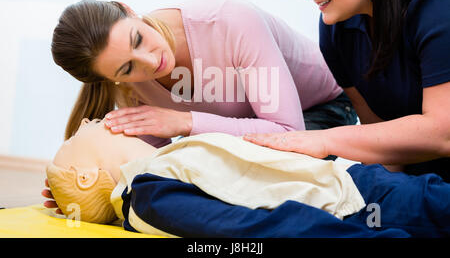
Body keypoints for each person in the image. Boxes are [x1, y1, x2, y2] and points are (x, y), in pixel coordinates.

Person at [44, 0, 357, 212]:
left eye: (138, 39)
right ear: (111, 78)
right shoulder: (129, 89)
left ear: (128, 9)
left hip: (319, 111)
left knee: (241, 187)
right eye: (127, 69)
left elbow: (289, 133)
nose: (150, 62)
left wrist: (186, 122)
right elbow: (152, 164)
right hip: (251, 136)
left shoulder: (227, 19)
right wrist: (81, 191)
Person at [245, 0, 450, 181]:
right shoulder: (335, 27)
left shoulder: (438, 2)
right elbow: (379, 143)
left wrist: (323, 139)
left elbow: (443, 133)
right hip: (421, 173)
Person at [45, 118, 450, 237]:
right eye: (86, 130)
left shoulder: (162, 168)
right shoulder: (149, 195)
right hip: (364, 208)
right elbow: (254, 229)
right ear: (85, 178)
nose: (87, 120)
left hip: (362, 185)